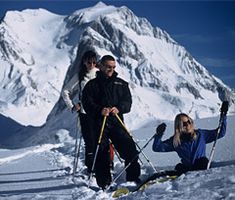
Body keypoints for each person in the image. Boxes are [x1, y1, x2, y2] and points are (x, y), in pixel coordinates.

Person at [82, 55, 141, 189]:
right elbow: (87, 103)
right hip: (99, 122)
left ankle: (133, 178)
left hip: (117, 121)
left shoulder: (121, 83)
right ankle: (104, 183)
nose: (111, 69)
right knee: (102, 152)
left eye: (113, 67)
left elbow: (128, 103)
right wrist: (99, 110)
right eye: (109, 67)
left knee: (130, 149)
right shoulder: (91, 85)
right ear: (101, 66)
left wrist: (119, 108)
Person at [152, 101, 228, 175]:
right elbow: (157, 147)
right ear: (178, 127)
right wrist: (159, 134)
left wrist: (223, 115)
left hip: (201, 167)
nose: (187, 125)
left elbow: (220, 133)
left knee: (202, 161)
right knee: (179, 167)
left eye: (189, 122)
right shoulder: (176, 141)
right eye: (183, 124)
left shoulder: (200, 135)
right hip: (187, 170)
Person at [62, 50, 99, 173]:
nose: (92, 65)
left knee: (101, 141)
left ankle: (104, 165)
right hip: (85, 113)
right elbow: (66, 91)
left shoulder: (100, 73)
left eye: (94, 62)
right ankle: (91, 168)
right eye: (89, 62)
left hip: (99, 112)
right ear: (84, 62)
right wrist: (72, 106)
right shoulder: (79, 76)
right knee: (89, 141)